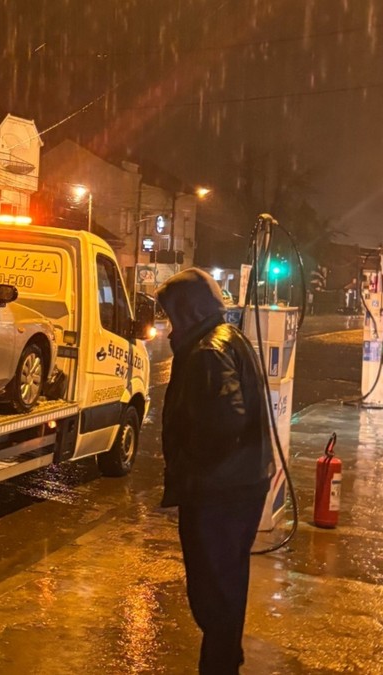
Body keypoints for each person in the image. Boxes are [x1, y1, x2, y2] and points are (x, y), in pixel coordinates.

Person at [156, 269, 275, 674]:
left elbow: (225, 420)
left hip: (219, 493)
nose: (170, 328)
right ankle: (226, 654)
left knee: (211, 590)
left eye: (171, 317)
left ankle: (220, 663)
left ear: (188, 312)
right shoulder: (229, 337)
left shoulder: (208, 351)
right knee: (227, 580)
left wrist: (194, 469)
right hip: (239, 484)